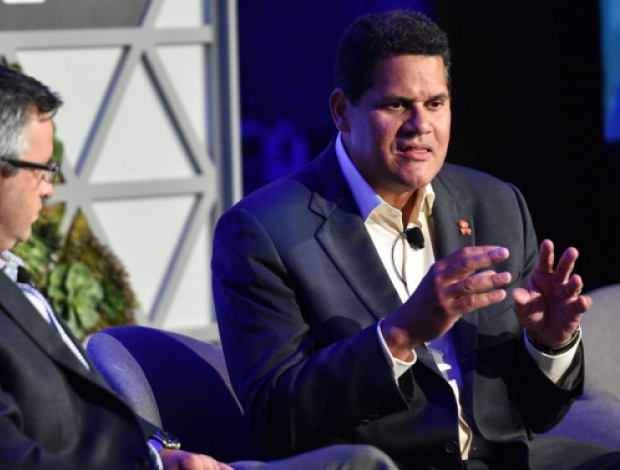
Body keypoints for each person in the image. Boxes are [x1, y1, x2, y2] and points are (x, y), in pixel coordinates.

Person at [0, 59, 397, 470]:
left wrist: (164, 453)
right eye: (43, 169)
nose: (49, 188)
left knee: (358, 463)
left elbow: (78, 410)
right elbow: (4, 461)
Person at [212, 10, 620, 470]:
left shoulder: (495, 203)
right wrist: (400, 334)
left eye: (436, 103)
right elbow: (274, 417)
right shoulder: (263, 230)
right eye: (397, 104)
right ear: (342, 111)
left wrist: (549, 344)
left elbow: (537, 415)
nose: (420, 124)